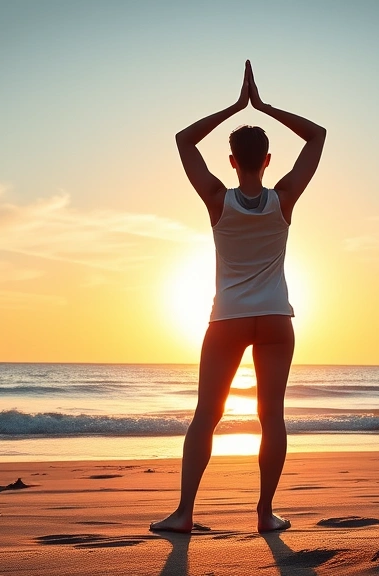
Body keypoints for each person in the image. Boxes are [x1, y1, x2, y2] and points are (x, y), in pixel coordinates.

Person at [150, 61, 326, 534]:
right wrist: (264, 106)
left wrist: (234, 107)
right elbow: (317, 137)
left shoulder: (216, 199)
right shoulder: (283, 198)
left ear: (231, 160)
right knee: (273, 418)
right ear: (268, 160)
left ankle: (185, 514)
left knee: (206, 415)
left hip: (227, 319)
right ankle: (266, 514)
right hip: (274, 318)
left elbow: (184, 141)